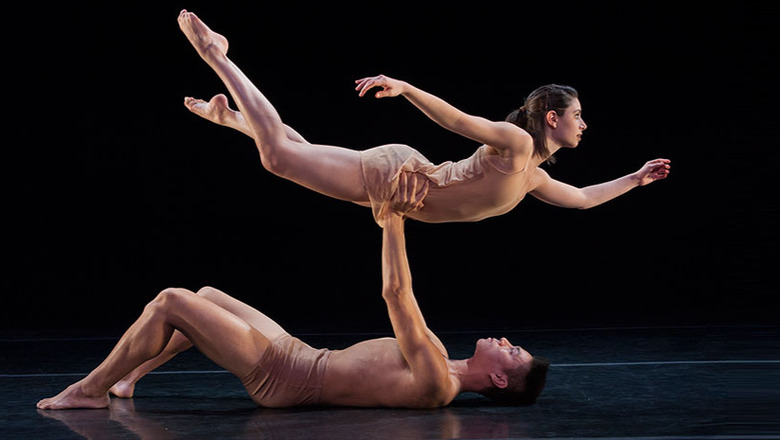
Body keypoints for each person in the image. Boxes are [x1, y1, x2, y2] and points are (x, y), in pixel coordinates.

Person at [36, 174, 550, 410]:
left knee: (172, 300)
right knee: (206, 294)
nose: (506, 341)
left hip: (285, 378)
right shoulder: (439, 358)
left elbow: (396, 294)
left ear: (499, 379)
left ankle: (91, 390)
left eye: (513, 352)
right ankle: (129, 379)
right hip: (299, 353)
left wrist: (393, 216)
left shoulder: (438, 381)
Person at [177, 9, 670, 226]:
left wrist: (636, 178)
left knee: (296, 152)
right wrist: (408, 88)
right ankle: (218, 55)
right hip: (399, 177)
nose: (584, 124)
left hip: (398, 191)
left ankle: (232, 119)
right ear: (552, 119)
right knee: (280, 159)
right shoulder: (515, 143)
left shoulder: (531, 177)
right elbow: (457, 121)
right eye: (578, 115)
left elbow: (582, 199)